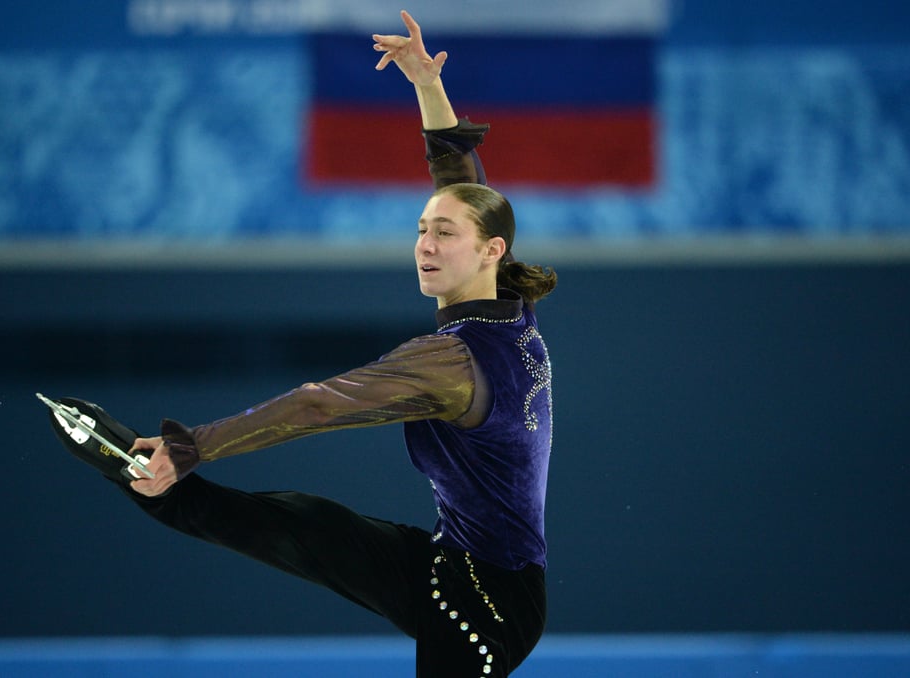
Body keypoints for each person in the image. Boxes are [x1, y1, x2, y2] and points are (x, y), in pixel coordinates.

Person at [58, 11, 557, 677]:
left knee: (282, 524)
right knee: (299, 525)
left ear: (491, 251)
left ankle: (162, 468)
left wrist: (193, 443)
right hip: (454, 561)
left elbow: (320, 404)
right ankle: (138, 469)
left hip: (487, 608)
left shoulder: (452, 362)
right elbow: (461, 182)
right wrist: (426, 86)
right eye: (421, 229)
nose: (425, 246)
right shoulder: (509, 310)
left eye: (443, 235)